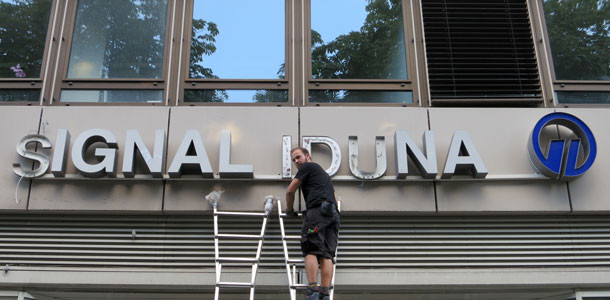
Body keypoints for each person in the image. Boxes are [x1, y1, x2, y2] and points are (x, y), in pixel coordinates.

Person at [285, 147, 340, 300]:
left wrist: (290, 210)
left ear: (307, 156)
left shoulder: (308, 166)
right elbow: (334, 198)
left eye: (298, 157)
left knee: (310, 248)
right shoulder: (324, 175)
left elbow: (290, 191)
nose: (296, 161)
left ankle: (313, 290)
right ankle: (324, 293)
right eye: (294, 159)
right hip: (333, 215)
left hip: (317, 211)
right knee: (327, 254)